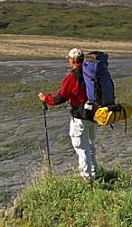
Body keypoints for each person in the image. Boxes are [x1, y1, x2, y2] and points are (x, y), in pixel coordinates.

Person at [38, 47, 97, 182]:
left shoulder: (72, 77)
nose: (69, 61)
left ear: (73, 60)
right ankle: (94, 173)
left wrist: (45, 98)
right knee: (90, 146)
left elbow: (59, 98)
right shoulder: (90, 73)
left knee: (81, 148)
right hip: (92, 115)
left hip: (79, 117)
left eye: (70, 59)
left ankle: (87, 179)